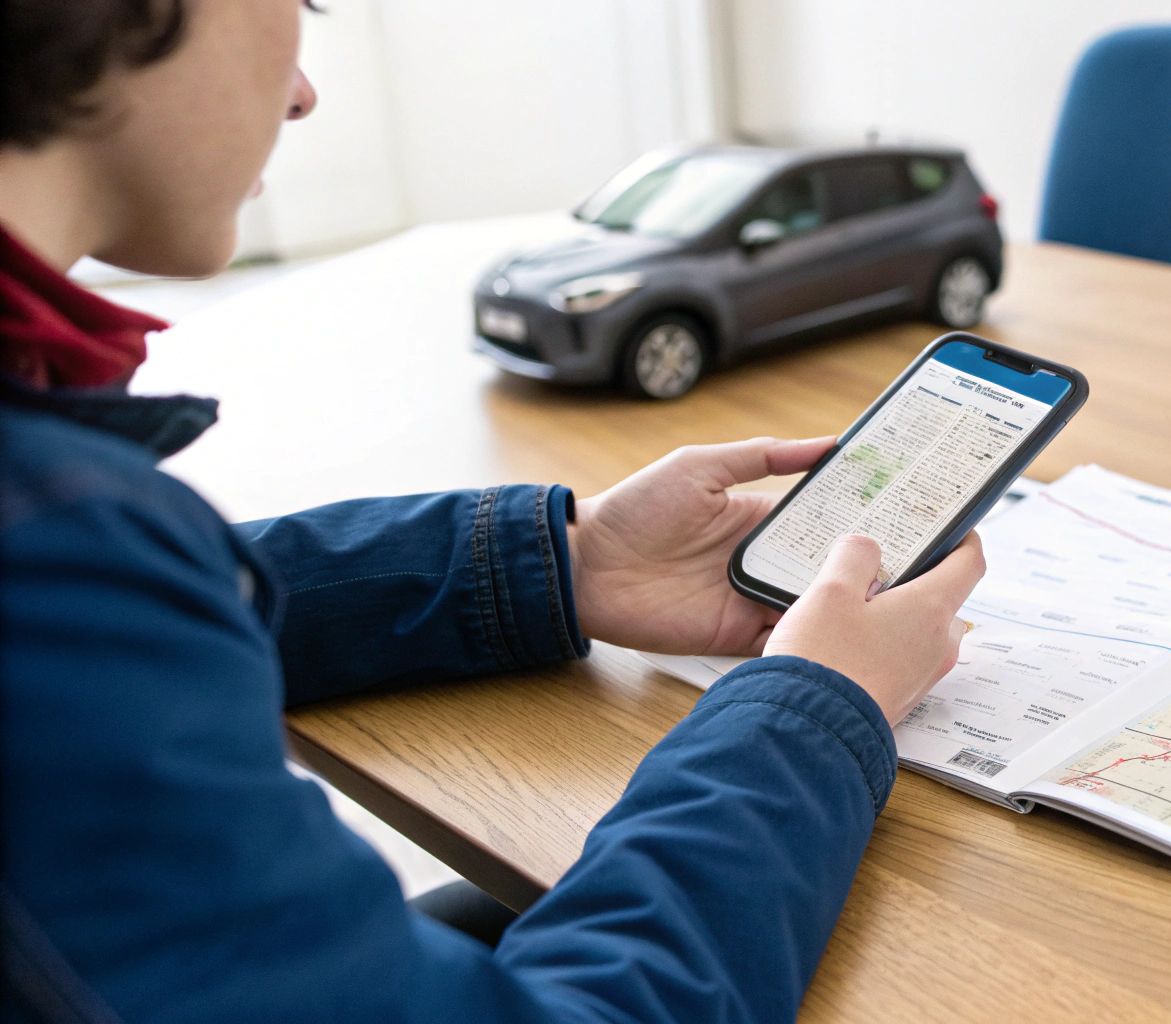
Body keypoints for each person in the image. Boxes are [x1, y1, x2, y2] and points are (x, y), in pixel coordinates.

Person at [0, 2, 986, 1021]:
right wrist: (813, 710)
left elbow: (155, 608)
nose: (301, 93)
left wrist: (562, 560)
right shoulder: (51, 554)